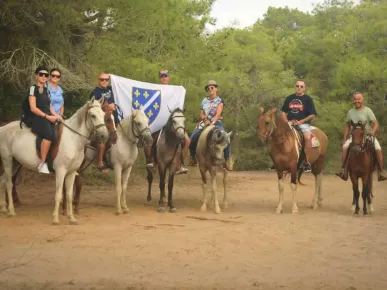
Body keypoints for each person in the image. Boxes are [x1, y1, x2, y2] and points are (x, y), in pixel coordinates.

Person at [144, 69, 190, 175]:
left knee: (187, 140)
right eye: (162, 76)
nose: (164, 78)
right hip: (159, 122)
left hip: (173, 123)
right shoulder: (156, 90)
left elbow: (179, 107)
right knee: (151, 139)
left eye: (166, 76)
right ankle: (152, 161)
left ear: (169, 78)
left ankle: (179, 163)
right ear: (160, 78)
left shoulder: (175, 91)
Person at [336, 92, 387, 181]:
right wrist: (344, 138)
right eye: (355, 99)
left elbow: (375, 124)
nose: (357, 101)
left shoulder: (368, 110)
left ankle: (381, 171)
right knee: (345, 147)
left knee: (378, 149)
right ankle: (343, 170)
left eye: (359, 99)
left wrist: (373, 131)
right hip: (355, 136)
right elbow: (347, 125)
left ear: (362, 100)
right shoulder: (350, 112)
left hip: (367, 135)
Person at [189, 80, 232, 171]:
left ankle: (227, 160)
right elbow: (201, 113)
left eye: (212, 88)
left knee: (225, 137)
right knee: (192, 137)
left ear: (216, 89)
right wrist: (205, 120)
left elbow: (218, 113)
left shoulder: (219, 100)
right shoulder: (204, 100)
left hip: (216, 122)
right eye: (208, 88)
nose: (210, 89)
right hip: (205, 122)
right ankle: (192, 157)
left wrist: (212, 122)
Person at [29, 66, 62, 174]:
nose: (43, 76)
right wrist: (47, 117)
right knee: (49, 134)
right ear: (36, 76)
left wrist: (56, 115)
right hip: (37, 117)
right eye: (41, 74)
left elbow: (49, 106)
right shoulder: (33, 88)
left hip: (48, 115)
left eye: (46, 75)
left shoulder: (47, 90)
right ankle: (43, 162)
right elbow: (33, 108)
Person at [281, 80, 317, 172]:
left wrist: (301, 121)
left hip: (303, 124)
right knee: (279, 136)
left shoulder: (308, 99)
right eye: (297, 86)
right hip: (289, 123)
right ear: (295, 87)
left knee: (307, 137)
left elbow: (312, 114)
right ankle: (279, 160)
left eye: (301, 86)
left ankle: (307, 162)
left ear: (304, 88)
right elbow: (284, 112)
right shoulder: (289, 98)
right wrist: (286, 121)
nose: (299, 88)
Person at [89, 72, 116, 173]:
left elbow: (120, 86)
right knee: (104, 139)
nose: (104, 81)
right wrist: (108, 107)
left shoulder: (110, 89)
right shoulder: (95, 93)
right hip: (102, 119)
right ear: (98, 80)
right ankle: (101, 161)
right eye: (102, 79)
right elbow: (95, 108)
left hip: (113, 117)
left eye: (106, 79)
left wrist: (113, 77)